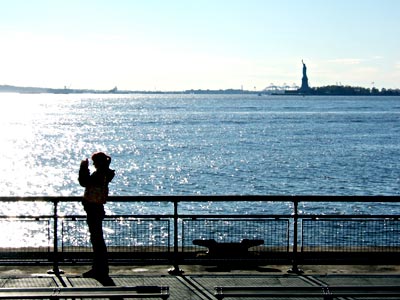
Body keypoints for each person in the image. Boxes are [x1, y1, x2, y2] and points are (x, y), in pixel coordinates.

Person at [78, 152, 115, 281]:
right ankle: (99, 268)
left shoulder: (99, 175)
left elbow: (84, 182)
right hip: (97, 208)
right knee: (97, 240)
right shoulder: (105, 174)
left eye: (95, 162)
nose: (93, 164)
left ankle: (100, 269)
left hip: (94, 208)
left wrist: (83, 168)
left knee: (97, 240)